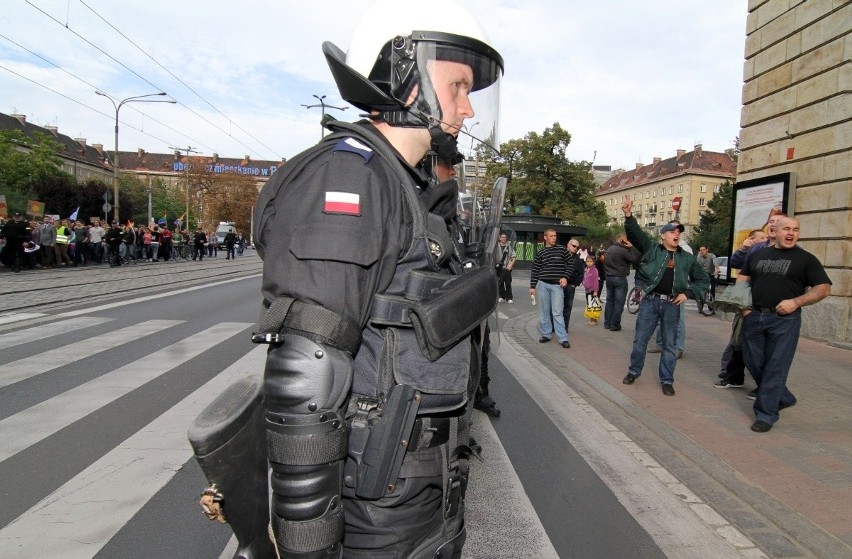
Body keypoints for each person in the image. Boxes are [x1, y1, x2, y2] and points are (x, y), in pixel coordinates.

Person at [188, 5, 503, 558]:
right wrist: (308, 544)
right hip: (374, 499)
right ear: (403, 74)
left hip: (417, 484)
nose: (468, 108)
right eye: (457, 86)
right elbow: (306, 375)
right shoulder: (350, 176)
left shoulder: (405, 186)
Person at [737, 217, 831, 432]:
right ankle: (784, 396)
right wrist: (744, 307)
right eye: (787, 228)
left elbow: (823, 288)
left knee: (775, 367)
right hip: (754, 316)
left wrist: (796, 302)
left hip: (785, 321)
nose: (791, 233)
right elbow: (743, 279)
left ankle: (766, 414)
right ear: (775, 231)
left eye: (796, 229)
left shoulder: (806, 259)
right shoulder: (758, 255)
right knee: (753, 362)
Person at [620, 197, 709, 396]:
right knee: (640, 340)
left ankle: (667, 380)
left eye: (678, 232)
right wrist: (628, 215)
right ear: (663, 236)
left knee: (670, 344)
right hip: (650, 302)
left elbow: (703, 280)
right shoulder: (652, 249)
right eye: (672, 231)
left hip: (672, 304)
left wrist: (688, 293)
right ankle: (634, 371)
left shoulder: (686, 258)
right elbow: (636, 235)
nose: (676, 234)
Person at [714, 228, 772, 389]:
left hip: (767, 307)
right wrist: (743, 249)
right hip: (748, 303)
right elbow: (736, 264)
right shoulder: (754, 251)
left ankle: (764, 384)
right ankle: (731, 375)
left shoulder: (778, 251)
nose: (765, 238)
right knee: (738, 341)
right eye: (761, 237)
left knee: (760, 347)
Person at [530, 229, 572, 348]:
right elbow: (535, 270)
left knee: (557, 312)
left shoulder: (561, 250)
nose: (554, 238)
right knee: (544, 312)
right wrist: (532, 287)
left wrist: (565, 277)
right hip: (543, 285)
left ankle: (563, 338)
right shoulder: (541, 252)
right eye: (551, 236)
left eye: (555, 236)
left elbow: (571, 264)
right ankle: (546, 334)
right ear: (545, 238)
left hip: (556, 286)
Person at [603, 233, 640, 331]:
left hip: (609, 278)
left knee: (610, 301)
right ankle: (614, 324)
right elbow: (636, 259)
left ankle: (607, 323)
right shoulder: (623, 250)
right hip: (619, 278)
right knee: (619, 302)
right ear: (622, 240)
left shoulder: (609, 249)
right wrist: (632, 247)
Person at [561, 239, 585, 331]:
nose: (575, 248)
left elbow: (581, 274)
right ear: (568, 245)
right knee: (556, 307)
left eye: (577, 247)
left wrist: (574, 285)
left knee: (567, 307)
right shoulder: (561, 256)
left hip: (570, 286)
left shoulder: (578, 260)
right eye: (573, 246)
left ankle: (565, 326)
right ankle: (554, 326)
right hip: (559, 285)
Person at [696, 245, 718, 315]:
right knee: (701, 291)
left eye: (703, 250)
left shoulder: (712, 256)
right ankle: (700, 307)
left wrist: (717, 269)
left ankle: (712, 306)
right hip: (703, 275)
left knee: (712, 290)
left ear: (707, 250)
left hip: (711, 274)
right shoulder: (699, 256)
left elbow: (715, 263)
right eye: (701, 250)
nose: (702, 251)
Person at [496, 232, 516, 303]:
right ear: (499, 238)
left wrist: (511, 265)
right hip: (499, 268)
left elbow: (513, 257)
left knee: (508, 283)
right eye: (502, 237)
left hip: (507, 267)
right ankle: (501, 296)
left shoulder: (509, 246)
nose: (504, 238)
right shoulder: (496, 246)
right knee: (500, 283)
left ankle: (509, 298)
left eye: (505, 237)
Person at [582, 255, 600, 325]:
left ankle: (594, 320)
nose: (589, 263)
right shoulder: (585, 269)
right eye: (587, 261)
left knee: (593, 306)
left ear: (594, 262)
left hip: (592, 290)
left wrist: (595, 290)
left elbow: (596, 281)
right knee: (589, 305)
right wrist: (583, 283)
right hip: (587, 290)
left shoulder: (595, 270)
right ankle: (590, 319)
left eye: (591, 261)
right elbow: (584, 278)